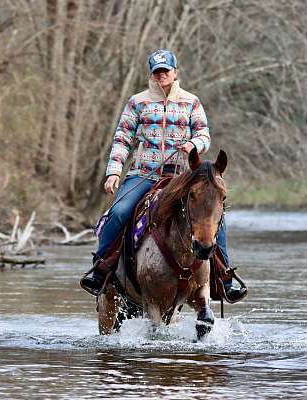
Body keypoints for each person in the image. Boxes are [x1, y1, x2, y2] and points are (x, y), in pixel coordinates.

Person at [81, 49, 246, 302]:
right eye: (157, 72)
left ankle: (224, 278)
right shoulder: (138, 102)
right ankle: (101, 269)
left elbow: (204, 134)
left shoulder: (191, 102)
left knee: (214, 216)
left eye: (165, 71)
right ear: (152, 74)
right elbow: (122, 139)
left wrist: (193, 145)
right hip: (143, 174)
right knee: (119, 212)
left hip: (181, 177)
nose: (161, 76)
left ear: (175, 72)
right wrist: (114, 172)